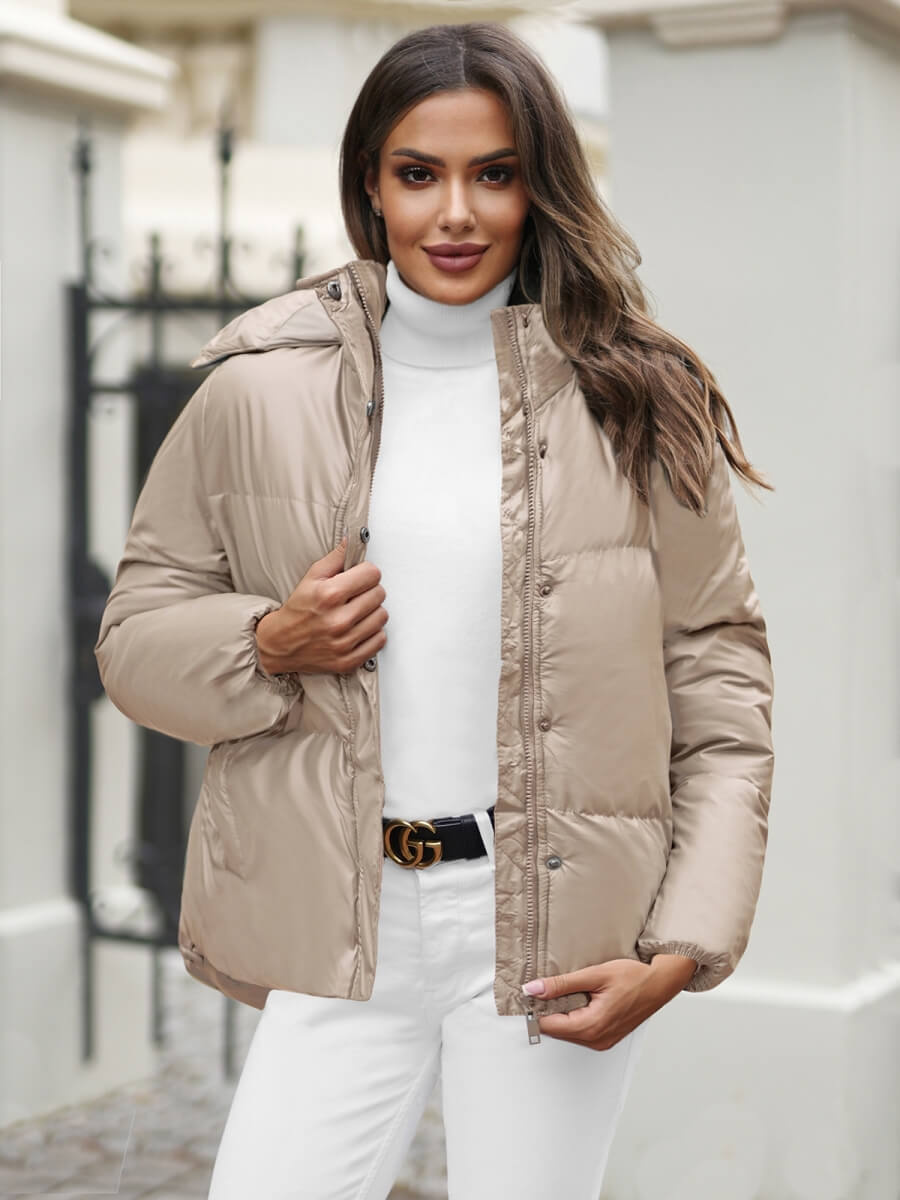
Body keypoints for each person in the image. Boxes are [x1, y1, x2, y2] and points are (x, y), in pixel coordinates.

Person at [93, 20, 776, 1200]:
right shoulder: (259, 390)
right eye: (419, 174)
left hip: (552, 926)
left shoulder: (637, 399)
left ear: (538, 184)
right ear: (372, 183)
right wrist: (268, 643)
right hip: (342, 916)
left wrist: (681, 944)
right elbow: (134, 639)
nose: (455, 213)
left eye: (493, 173)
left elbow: (718, 678)